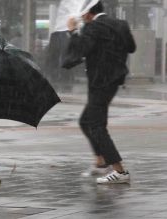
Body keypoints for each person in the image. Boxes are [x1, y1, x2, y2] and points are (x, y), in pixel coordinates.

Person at [64, 0, 136, 184]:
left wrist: (73, 31)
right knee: (86, 121)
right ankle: (101, 160)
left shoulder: (92, 27)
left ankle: (119, 171)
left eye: (83, 15)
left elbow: (81, 50)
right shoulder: (121, 24)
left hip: (99, 82)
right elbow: (131, 47)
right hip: (114, 79)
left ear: (88, 14)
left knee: (96, 125)